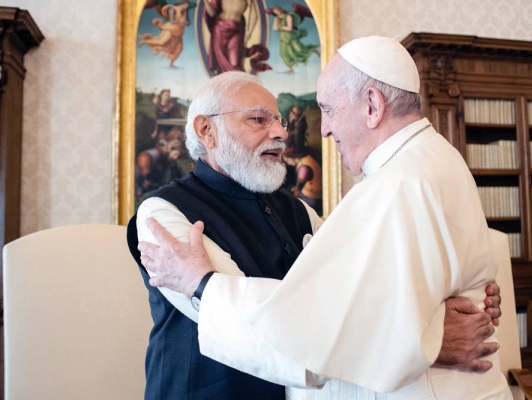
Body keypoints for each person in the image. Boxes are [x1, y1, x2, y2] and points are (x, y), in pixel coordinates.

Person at [139, 37, 511, 398]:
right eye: (258, 119)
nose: (283, 133)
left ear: (372, 106)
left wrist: (423, 329)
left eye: (282, 119)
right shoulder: (162, 213)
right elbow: (298, 326)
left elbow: (340, 306)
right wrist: (426, 337)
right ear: (206, 130)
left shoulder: (309, 206)